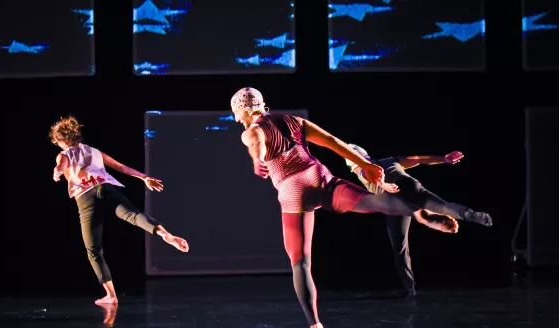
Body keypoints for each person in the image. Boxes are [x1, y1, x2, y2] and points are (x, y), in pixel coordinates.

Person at [230, 87, 458, 328]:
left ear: (241, 112)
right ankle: (415, 212)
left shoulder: (251, 130)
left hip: (293, 189)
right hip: (318, 175)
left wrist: (258, 161)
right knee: (370, 201)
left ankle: (315, 324)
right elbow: (332, 142)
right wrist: (364, 164)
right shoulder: (294, 121)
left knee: (300, 262)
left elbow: (257, 144)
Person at [50, 116, 189, 305]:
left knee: (94, 250)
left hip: (85, 198)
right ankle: (165, 234)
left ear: (62, 140)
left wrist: (57, 171)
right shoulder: (95, 152)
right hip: (106, 188)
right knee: (132, 215)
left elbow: (61, 165)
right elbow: (121, 167)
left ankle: (111, 296)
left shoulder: (64, 154)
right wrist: (145, 177)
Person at [345, 144, 493, 296]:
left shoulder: (362, 169)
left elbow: (368, 175)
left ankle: (409, 288)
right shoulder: (390, 160)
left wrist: (384, 185)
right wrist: (444, 159)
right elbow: (420, 159)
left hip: (393, 198)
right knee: (442, 207)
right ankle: (470, 214)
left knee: (400, 245)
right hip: (410, 185)